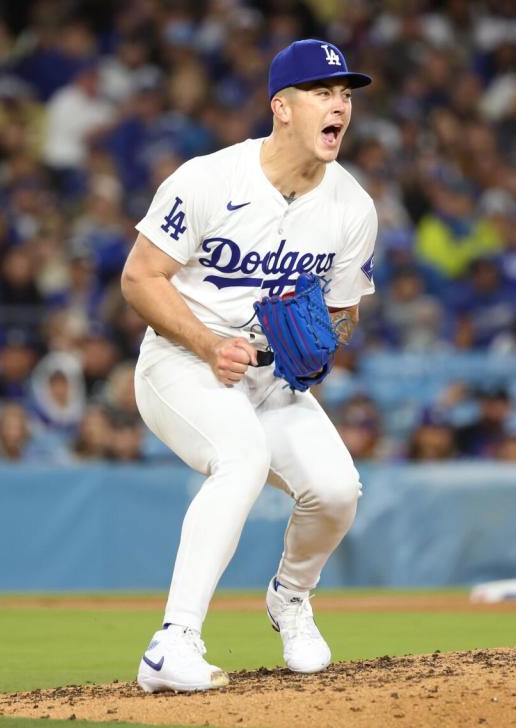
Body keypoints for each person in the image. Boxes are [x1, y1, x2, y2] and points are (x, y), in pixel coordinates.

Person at [120, 39, 376, 693]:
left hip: (270, 379)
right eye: (324, 92)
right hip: (183, 363)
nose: (339, 106)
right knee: (241, 458)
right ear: (281, 106)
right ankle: (172, 644)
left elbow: (342, 311)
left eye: (345, 95)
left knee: (338, 491)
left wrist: (323, 343)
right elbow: (140, 279)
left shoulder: (352, 207)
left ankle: (290, 597)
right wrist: (208, 344)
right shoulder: (210, 179)